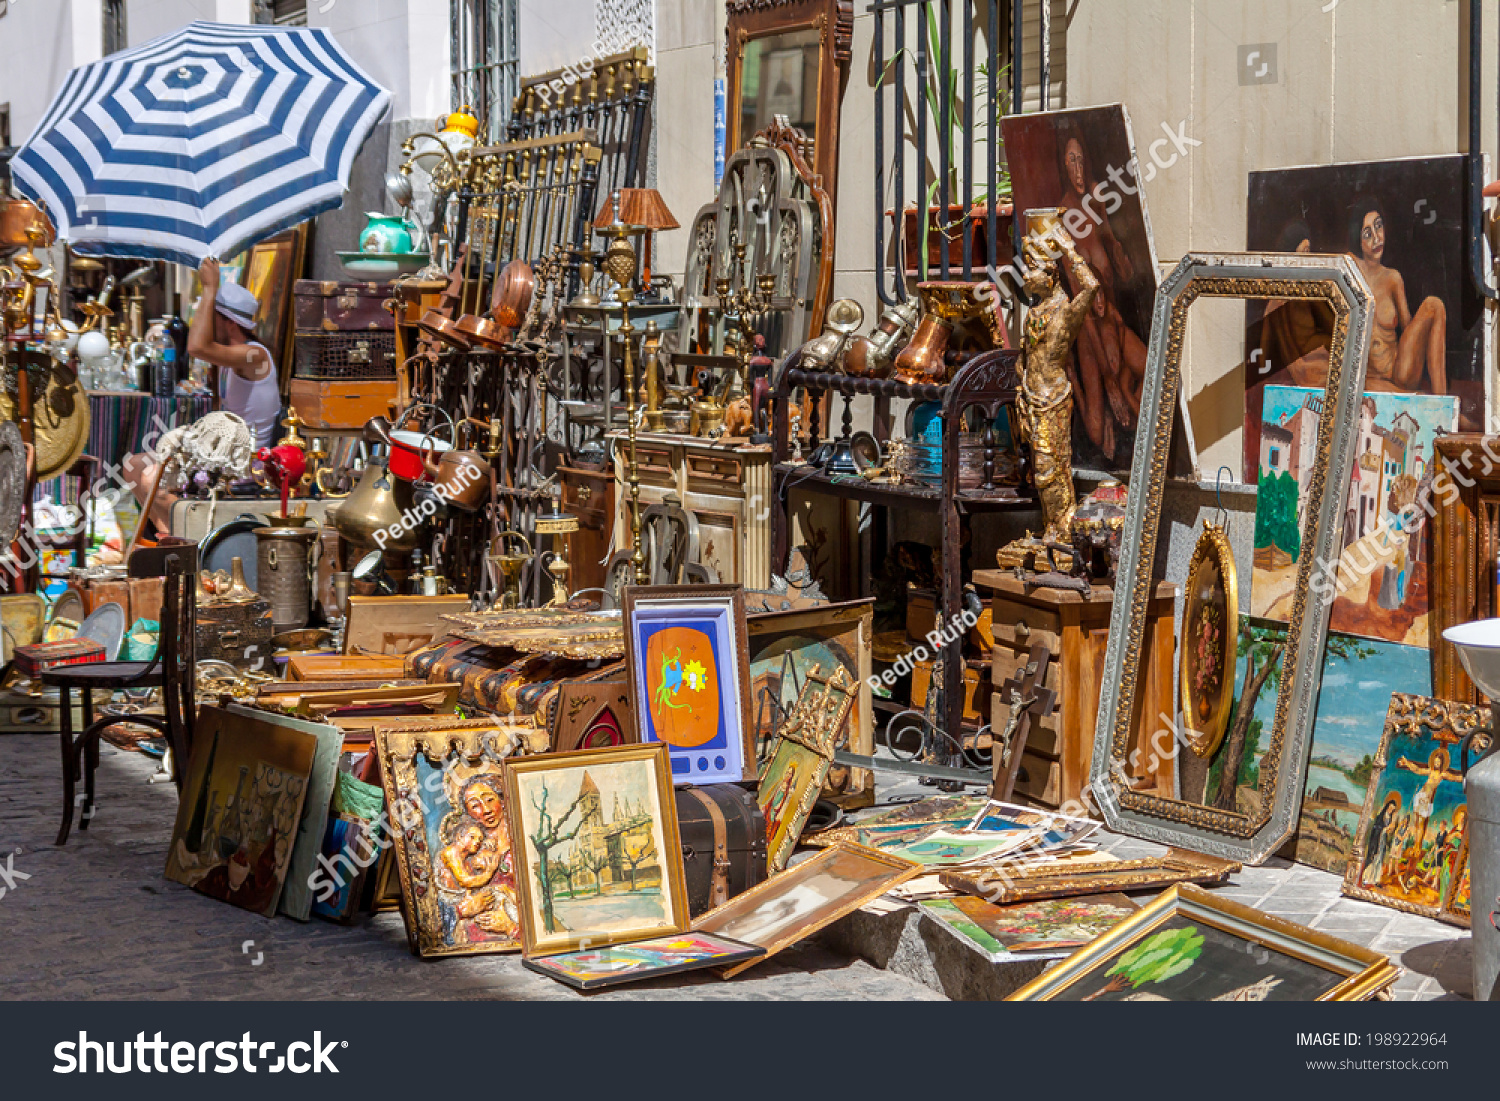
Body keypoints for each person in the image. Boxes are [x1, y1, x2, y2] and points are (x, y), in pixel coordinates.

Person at [123, 257, 280, 534]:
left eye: (209, 316)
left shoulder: (255, 355)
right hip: (217, 455)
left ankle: (189, 537)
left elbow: (196, 347)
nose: (204, 324)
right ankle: (169, 535)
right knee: (134, 466)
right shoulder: (230, 360)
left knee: (151, 480)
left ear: (228, 322)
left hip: (244, 468)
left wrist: (210, 288)